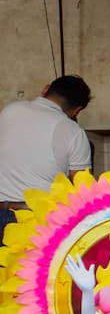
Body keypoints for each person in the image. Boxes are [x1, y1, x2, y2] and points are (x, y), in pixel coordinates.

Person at [0, 76, 93, 239]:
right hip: (35, 220)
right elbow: (82, 188)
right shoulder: (73, 131)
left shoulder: (9, 111)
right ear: (77, 110)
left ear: (45, 88)